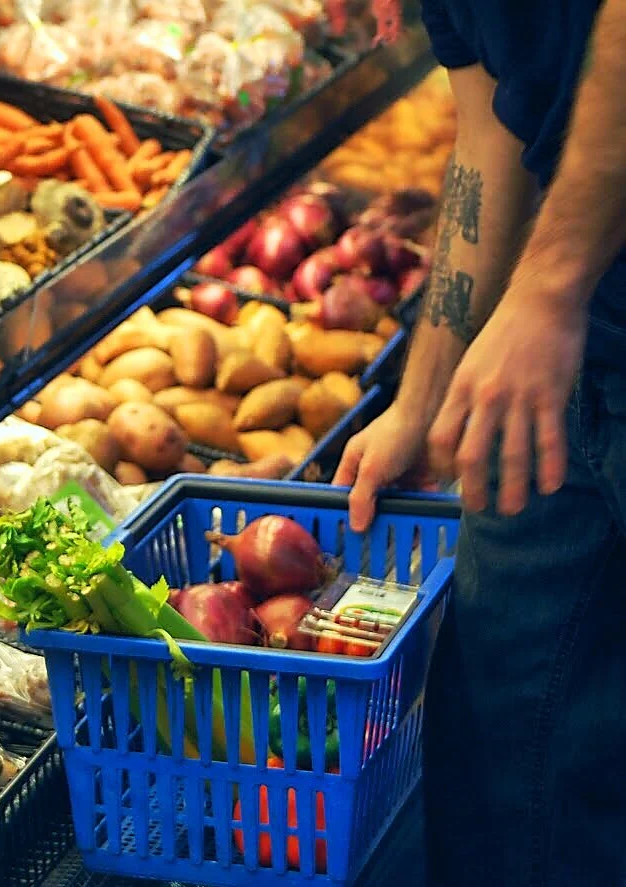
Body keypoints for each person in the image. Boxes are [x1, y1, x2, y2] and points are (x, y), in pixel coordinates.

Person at [333, 1, 626, 884]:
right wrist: (417, 402)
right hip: (582, 347)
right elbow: (488, 135)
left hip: (570, 310)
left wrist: (546, 292)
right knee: (496, 733)